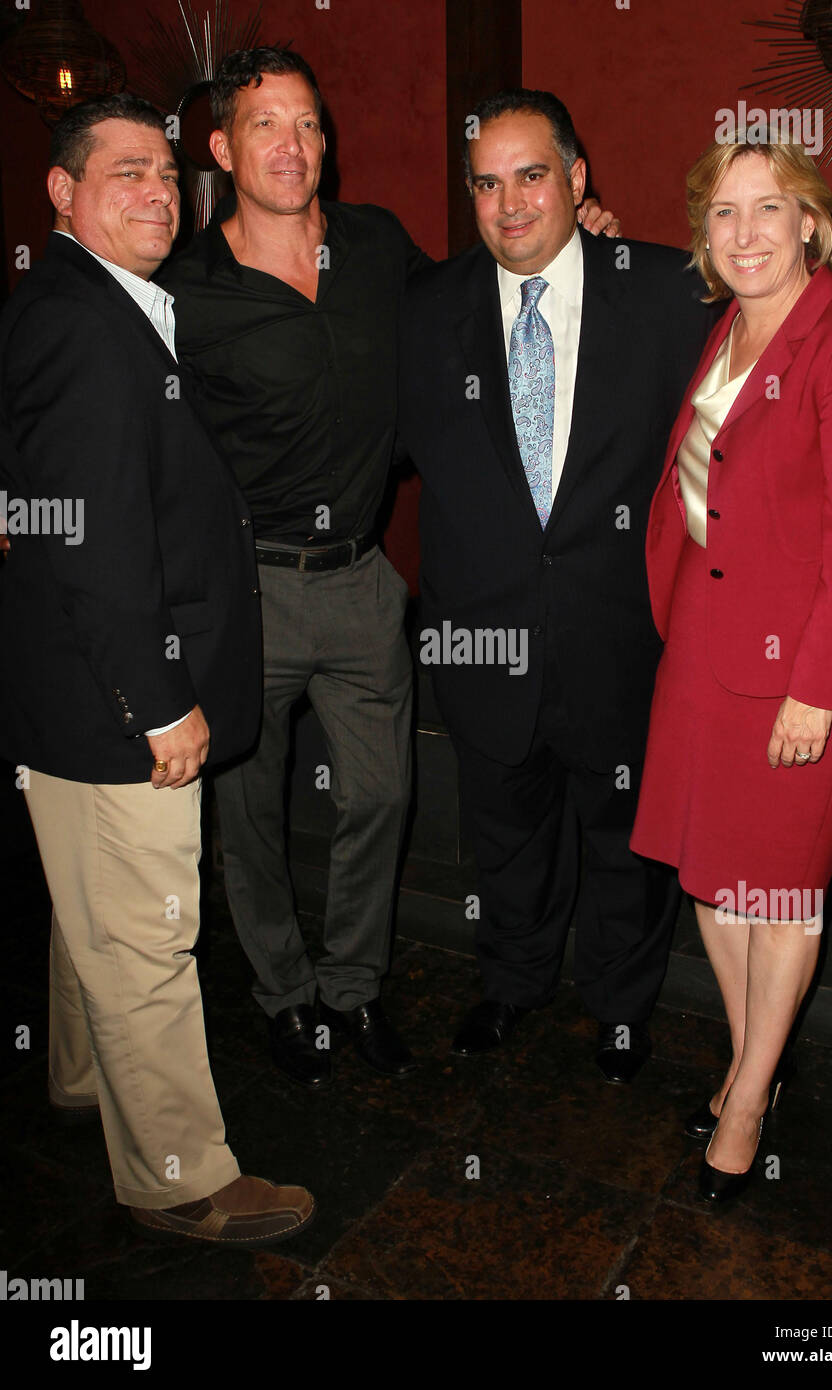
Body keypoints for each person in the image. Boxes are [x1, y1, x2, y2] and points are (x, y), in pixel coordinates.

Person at [157, 50, 617, 1088]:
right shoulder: (183, 287)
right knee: (250, 816)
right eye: (266, 125)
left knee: (379, 798)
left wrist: (572, 248)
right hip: (245, 587)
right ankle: (282, 998)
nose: (293, 145)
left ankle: (351, 989)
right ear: (223, 149)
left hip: (363, 582)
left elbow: (477, 301)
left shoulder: (375, 247)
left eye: (309, 123)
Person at [0, 93, 313, 1245]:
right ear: (62, 193)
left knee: (93, 908)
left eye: (166, 173)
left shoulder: (104, 302)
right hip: (114, 698)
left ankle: (84, 1081)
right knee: (146, 932)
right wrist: (158, 698)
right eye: (124, 170)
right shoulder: (82, 320)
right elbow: (88, 536)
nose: (155, 189)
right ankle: (179, 1174)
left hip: (73, 694)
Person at [398, 89, 715, 1081]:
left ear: (577, 182)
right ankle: (513, 981)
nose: (507, 203)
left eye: (530, 175)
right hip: (479, 637)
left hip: (621, 635)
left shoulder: (669, 292)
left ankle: (621, 1008)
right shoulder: (424, 311)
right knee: (503, 832)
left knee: (625, 842)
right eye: (485, 183)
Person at [629, 132, 832, 1201]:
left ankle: (745, 1100)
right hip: (705, 652)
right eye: (722, 213)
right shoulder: (723, 334)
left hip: (804, 670)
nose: (745, 231)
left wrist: (816, 686)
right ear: (703, 236)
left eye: (768, 208)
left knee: (778, 894)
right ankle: (761, 1056)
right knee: (714, 881)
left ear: (809, 222)